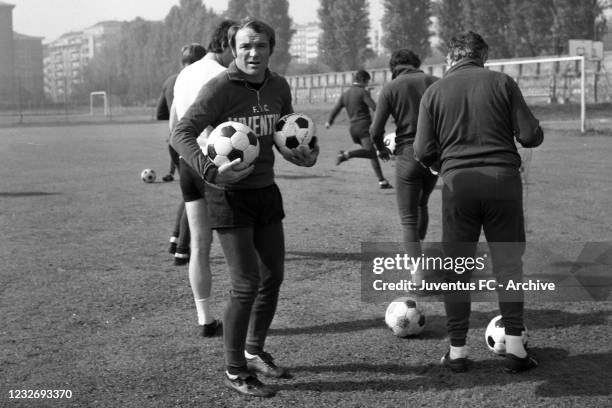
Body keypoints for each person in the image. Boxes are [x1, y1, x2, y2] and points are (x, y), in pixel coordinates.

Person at [171, 17, 318, 398]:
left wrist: (306, 155)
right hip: (229, 196)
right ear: (234, 49)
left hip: (266, 192)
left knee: (273, 278)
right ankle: (235, 370)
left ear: (272, 48)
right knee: (245, 283)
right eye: (246, 46)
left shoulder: (279, 86)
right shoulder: (219, 87)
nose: (253, 53)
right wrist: (210, 171)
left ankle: (254, 351)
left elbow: (288, 135)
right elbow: (180, 132)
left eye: (261, 46)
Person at [414, 31, 543, 374]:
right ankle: (515, 347)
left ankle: (457, 352)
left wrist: (449, 167)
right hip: (504, 182)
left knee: (457, 271)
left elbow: (422, 150)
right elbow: (529, 135)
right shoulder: (502, 82)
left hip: (458, 186)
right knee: (509, 266)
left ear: (451, 57)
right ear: (482, 56)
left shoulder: (434, 91)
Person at [169, 20, 237, 338]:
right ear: (225, 44)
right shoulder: (221, 76)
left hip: (188, 164)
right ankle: (242, 321)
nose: (241, 53)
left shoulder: (184, 73)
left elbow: (176, 124)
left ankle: (205, 319)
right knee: (239, 246)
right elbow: (228, 129)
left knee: (199, 245)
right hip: (215, 167)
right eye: (238, 45)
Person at [370, 49, 439, 285]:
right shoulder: (436, 83)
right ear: (417, 63)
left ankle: (417, 272)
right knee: (423, 204)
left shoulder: (391, 87)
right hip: (433, 156)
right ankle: (416, 255)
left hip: (407, 153)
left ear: (393, 68)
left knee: (408, 219)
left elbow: (375, 130)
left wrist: (381, 149)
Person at [157, 43, 206, 265]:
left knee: (189, 195)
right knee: (197, 197)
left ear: (181, 62)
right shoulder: (204, 80)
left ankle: (176, 240)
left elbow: (164, 114)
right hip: (196, 143)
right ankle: (183, 249)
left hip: (176, 140)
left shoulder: (172, 80)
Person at [325, 70, 392, 189]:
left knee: (371, 153)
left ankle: (382, 181)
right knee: (370, 152)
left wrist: (329, 121)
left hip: (353, 129)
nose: (367, 84)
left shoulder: (345, 94)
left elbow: (336, 109)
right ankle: (346, 155)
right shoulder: (362, 92)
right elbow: (374, 107)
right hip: (364, 127)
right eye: (367, 81)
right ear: (362, 80)